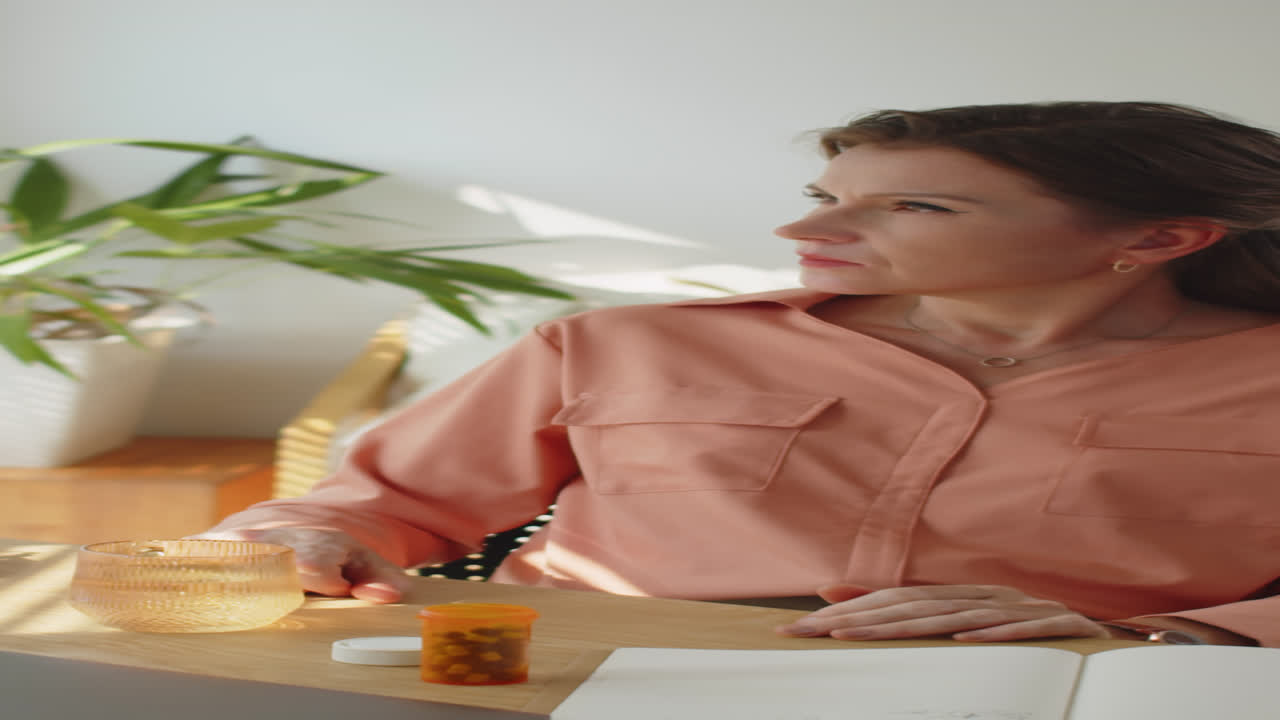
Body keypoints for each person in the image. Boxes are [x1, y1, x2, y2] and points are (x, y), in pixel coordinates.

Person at [200, 101, 1280, 648]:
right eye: (827, 197)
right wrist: (310, 540)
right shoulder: (623, 346)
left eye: (912, 206)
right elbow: (374, 505)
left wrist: (1169, 634)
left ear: (1158, 238)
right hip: (576, 676)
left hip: (1059, 690)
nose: (806, 232)